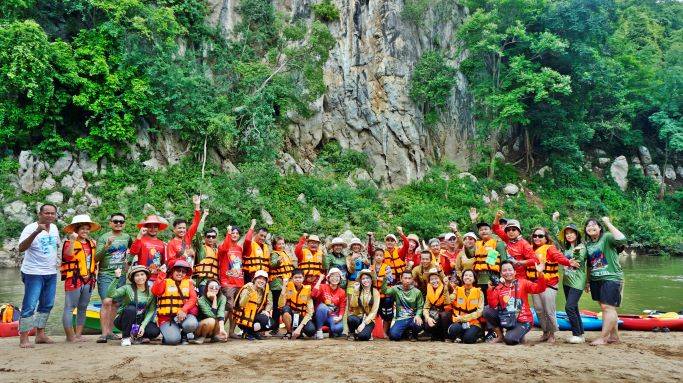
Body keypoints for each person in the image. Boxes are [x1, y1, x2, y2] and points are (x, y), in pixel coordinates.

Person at [17, 203, 60, 348]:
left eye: (52, 213)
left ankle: (40, 334)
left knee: (47, 304)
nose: (49, 216)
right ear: (40, 214)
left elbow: (55, 246)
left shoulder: (54, 228)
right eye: (46, 213)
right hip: (33, 272)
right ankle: (23, 338)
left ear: (55, 215)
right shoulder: (29, 228)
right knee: (29, 304)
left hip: (51, 272)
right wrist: (36, 232)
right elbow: (21, 248)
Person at [528, 227, 580, 344]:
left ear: (546, 238)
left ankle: (552, 333)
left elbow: (558, 257)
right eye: (535, 236)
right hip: (535, 284)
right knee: (539, 310)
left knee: (549, 310)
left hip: (549, 284)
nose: (537, 238)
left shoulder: (550, 249)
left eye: (540, 236)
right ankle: (545, 332)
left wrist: (568, 262)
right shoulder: (530, 249)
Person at [584, 217, 626, 346]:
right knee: (607, 308)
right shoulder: (588, 245)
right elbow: (590, 265)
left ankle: (603, 338)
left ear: (600, 227)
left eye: (594, 225)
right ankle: (614, 337)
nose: (590, 227)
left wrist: (608, 223)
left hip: (612, 277)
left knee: (607, 307)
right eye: (588, 225)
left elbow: (621, 239)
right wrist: (587, 281)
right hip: (596, 279)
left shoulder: (607, 237)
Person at [483, 260, 547, 345]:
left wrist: (540, 274)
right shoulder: (498, 287)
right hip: (507, 318)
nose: (507, 272)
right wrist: (490, 290)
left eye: (510, 270)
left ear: (515, 272)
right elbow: (492, 305)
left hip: (523, 320)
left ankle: (518, 333)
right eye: (504, 270)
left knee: (509, 340)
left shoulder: (523, 282)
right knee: (487, 310)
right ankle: (500, 336)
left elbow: (540, 289)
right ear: (501, 274)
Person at [60, 214, 101, 342]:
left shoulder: (92, 243)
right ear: (76, 230)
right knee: (70, 307)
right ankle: (70, 336)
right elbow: (67, 256)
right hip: (74, 278)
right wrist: (72, 241)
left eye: (87, 229)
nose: (85, 231)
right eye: (82, 228)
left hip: (89, 279)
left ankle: (78, 334)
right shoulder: (69, 243)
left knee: (83, 307)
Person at [95, 213, 132, 343]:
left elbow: (132, 251)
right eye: (115, 221)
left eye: (121, 222)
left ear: (124, 224)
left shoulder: (127, 237)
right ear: (110, 223)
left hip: (120, 275)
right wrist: (107, 246)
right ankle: (104, 333)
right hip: (106, 274)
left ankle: (110, 332)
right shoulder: (104, 237)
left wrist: (129, 264)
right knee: (106, 302)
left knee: (116, 303)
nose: (118, 224)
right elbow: (96, 258)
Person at [552, 213, 589, 344]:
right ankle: (581, 334)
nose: (569, 235)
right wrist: (555, 220)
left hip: (578, 281)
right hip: (567, 280)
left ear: (577, 234)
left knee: (569, 307)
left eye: (572, 233)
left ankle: (577, 334)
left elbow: (577, 261)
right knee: (574, 308)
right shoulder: (566, 247)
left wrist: (587, 283)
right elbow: (557, 237)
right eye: (567, 233)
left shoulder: (582, 247)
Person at [107, 266, 160, 346]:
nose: (140, 277)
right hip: (123, 320)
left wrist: (143, 325)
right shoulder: (127, 288)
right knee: (131, 309)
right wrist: (116, 278)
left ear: (146, 276)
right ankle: (126, 337)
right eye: (137, 275)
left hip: (139, 321)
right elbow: (111, 294)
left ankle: (137, 336)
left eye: (142, 274)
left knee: (154, 331)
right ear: (133, 278)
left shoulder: (151, 291)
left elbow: (151, 310)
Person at [151, 260, 199, 345]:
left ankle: (183, 335)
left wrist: (184, 310)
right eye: (178, 270)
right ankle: (171, 334)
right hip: (166, 319)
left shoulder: (188, 283)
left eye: (183, 271)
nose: (180, 273)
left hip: (182, 316)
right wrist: (161, 274)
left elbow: (193, 298)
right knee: (173, 341)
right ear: (173, 271)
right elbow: (156, 291)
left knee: (191, 324)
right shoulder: (165, 282)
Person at [468, 208, 508, 301]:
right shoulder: (479, 243)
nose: (483, 231)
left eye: (486, 229)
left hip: (493, 276)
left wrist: (503, 276)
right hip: (480, 277)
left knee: (495, 300)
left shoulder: (497, 243)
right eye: (481, 230)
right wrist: (473, 220)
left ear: (491, 231)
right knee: (482, 300)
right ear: (478, 233)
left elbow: (504, 260)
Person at [217, 225, 244, 339]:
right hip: (227, 282)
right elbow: (224, 248)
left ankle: (232, 331)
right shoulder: (223, 246)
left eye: (237, 233)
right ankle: (220, 331)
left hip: (239, 282)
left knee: (236, 309)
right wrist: (228, 232)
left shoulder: (239, 248)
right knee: (229, 306)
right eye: (233, 233)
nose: (235, 235)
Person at [492, 212, 538, 279]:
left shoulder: (524, 244)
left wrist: (519, 262)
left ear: (519, 231)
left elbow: (535, 260)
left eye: (514, 229)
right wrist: (497, 217)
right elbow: (495, 228)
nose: (511, 232)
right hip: (506, 276)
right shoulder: (507, 238)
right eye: (508, 230)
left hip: (520, 277)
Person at [381, 270, 424, 341]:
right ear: (401, 279)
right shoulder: (396, 289)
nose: (407, 280)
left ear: (412, 279)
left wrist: (418, 315)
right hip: (401, 318)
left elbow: (420, 306)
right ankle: (404, 332)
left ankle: (414, 335)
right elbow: (385, 291)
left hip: (413, 317)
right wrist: (385, 279)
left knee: (418, 325)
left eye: (409, 278)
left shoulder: (417, 292)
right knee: (394, 336)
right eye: (405, 278)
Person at [232, 270, 273, 340]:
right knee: (264, 319)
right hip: (243, 317)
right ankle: (247, 331)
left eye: (264, 279)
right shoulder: (248, 288)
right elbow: (241, 304)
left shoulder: (263, 290)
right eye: (259, 278)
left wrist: (266, 311)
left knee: (271, 323)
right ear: (254, 279)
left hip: (254, 315)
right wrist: (248, 294)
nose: (262, 281)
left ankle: (250, 332)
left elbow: (269, 303)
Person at [448, 270, 484, 344]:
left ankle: (478, 335)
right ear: (462, 278)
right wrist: (447, 286)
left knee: (468, 339)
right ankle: (462, 336)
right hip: (458, 321)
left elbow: (480, 312)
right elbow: (450, 300)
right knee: (453, 330)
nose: (468, 277)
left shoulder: (479, 292)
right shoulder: (457, 290)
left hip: (473, 322)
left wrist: (463, 318)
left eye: (470, 276)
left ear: (474, 279)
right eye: (466, 275)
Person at [278, 269, 316, 339]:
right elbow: (280, 305)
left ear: (303, 278)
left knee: (311, 331)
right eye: (295, 277)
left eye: (300, 277)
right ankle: (289, 332)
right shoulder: (288, 288)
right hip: (291, 315)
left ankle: (299, 331)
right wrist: (283, 287)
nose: (298, 279)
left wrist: (299, 328)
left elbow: (310, 312)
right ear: (292, 278)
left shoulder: (307, 290)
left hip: (302, 316)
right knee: (285, 309)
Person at [269, 236, 295, 335]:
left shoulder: (284, 253)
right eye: (279, 244)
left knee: (284, 304)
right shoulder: (275, 254)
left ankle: (286, 324)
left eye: (283, 243)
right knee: (277, 306)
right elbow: (272, 264)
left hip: (285, 282)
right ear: (275, 245)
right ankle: (274, 327)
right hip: (277, 284)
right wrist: (278, 261)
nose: (281, 245)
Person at [129, 215, 168, 281]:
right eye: (150, 227)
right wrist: (139, 236)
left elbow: (165, 262)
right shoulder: (141, 240)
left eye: (155, 227)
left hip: (157, 278)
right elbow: (133, 252)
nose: (153, 229)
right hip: (143, 278)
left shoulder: (162, 244)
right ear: (145, 227)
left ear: (158, 228)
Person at [166, 195, 202, 265]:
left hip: (188, 272)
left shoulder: (187, 237)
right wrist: (185, 255)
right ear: (174, 230)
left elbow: (196, 223)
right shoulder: (171, 244)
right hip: (178, 273)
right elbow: (170, 262)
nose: (182, 230)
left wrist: (197, 206)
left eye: (184, 228)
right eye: (179, 228)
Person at [312, 268, 347, 339]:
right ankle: (319, 330)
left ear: (340, 279)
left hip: (332, 316)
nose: (335, 278)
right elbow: (313, 295)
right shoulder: (323, 287)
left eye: (337, 276)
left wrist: (340, 317)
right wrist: (320, 280)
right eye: (332, 276)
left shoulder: (342, 292)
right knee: (322, 307)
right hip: (320, 314)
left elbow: (342, 307)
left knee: (338, 329)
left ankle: (332, 330)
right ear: (328, 278)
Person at [347, 269, 380, 341]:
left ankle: (361, 333)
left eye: (367, 278)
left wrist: (363, 324)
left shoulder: (375, 292)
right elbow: (352, 305)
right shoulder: (358, 290)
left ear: (371, 280)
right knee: (351, 318)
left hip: (369, 320)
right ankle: (352, 333)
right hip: (359, 317)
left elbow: (374, 312)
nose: (365, 280)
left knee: (363, 337)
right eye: (363, 279)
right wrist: (355, 291)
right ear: (360, 281)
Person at [422, 268, 452, 341]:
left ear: (440, 279)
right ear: (429, 281)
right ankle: (435, 335)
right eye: (432, 279)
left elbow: (448, 302)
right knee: (427, 323)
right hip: (434, 312)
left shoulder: (445, 287)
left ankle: (446, 336)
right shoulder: (429, 290)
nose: (434, 281)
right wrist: (427, 318)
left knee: (444, 316)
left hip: (445, 311)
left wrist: (445, 289)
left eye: (436, 278)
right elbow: (426, 307)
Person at [370, 247, 394, 338]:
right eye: (376, 255)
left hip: (385, 294)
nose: (378, 257)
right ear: (374, 257)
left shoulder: (387, 267)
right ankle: (373, 331)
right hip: (375, 293)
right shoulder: (371, 267)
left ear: (383, 257)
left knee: (387, 314)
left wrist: (377, 278)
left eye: (380, 255)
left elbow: (390, 279)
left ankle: (385, 332)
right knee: (375, 312)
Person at [193, 217, 220, 295]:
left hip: (215, 284)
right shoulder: (202, 249)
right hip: (204, 283)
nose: (211, 238)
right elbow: (198, 232)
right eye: (208, 236)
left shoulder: (217, 251)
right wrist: (204, 216)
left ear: (216, 239)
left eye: (213, 237)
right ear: (205, 238)